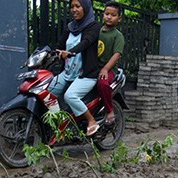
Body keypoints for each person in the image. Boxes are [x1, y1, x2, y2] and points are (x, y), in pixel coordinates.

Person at [52, 0, 102, 136]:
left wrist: (70, 51)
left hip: (86, 74)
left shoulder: (94, 26)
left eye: (78, 6)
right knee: (48, 92)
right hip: (68, 71)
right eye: (72, 7)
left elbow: (86, 42)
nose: (74, 9)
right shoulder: (70, 27)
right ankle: (60, 123)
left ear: (85, 8)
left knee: (70, 96)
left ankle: (91, 121)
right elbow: (60, 45)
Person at [96, 1, 126, 125]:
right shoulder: (97, 31)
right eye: (107, 13)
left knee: (102, 83)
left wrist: (105, 69)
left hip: (109, 70)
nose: (109, 17)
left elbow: (117, 54)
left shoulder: (118, 36)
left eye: (113, 15)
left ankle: (110, 111)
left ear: (119, 18)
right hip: (93, 67)